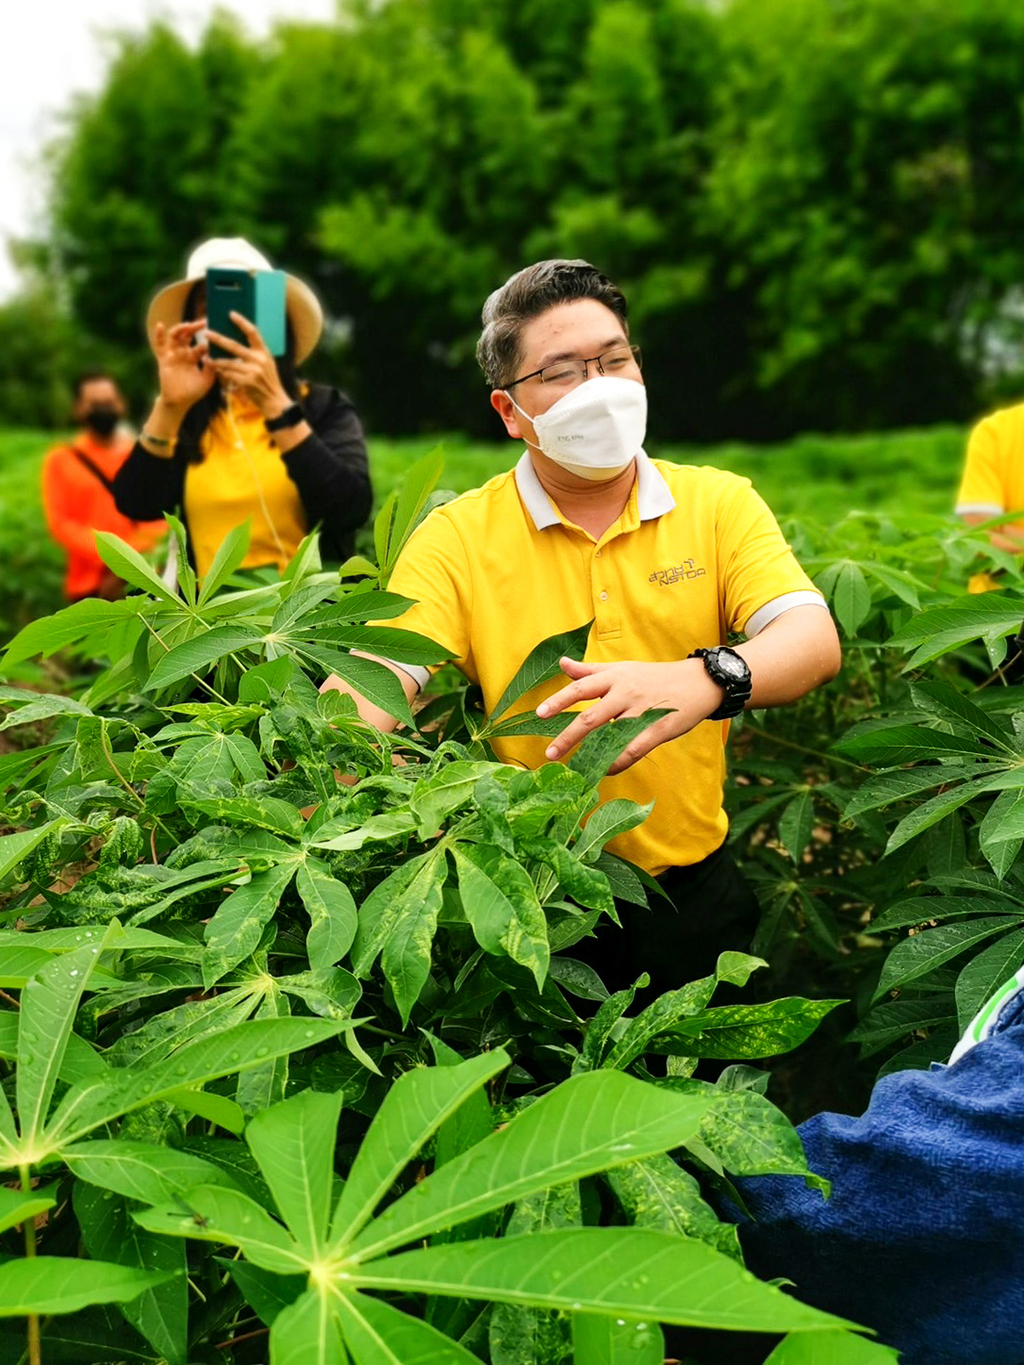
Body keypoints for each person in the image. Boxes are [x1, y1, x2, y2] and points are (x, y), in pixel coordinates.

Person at [321, 259, 841, 994]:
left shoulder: (718, 503)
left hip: (692, 892)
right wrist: (337, 768)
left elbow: (812, 640)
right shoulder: (458, 537)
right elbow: (372, 685)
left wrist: (701, 677)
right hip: (536, 903)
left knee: (717, 1102)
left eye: (615, 359)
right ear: (509, 412)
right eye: (562, 372)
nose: (599, 387)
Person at [113, 237, 371, 579]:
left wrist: (278, 406)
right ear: (190, 327)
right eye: (212, 308)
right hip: (211, 623)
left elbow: (350, 508)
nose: (232, 322)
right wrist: (170, 407)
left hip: (307, 619)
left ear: (277, 324)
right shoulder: (187, 418)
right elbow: (136, 502)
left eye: (247, 307)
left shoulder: (323, 407)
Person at [41, 372, 166, 602]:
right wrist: (116, 560)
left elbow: (159, 517)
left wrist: (128, 565)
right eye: (94, 404)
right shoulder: (61, 460)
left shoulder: (142, 456)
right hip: (89, 586)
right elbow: (62, 524)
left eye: (108, 403)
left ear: (121, 405)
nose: (103, 410)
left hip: (145, 577)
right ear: (78, 409)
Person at [956, 401, 1024, 593]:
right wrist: (996, 536)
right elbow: (981, 537)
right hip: (999, 608)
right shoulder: (997, 431)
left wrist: (1009, 535)